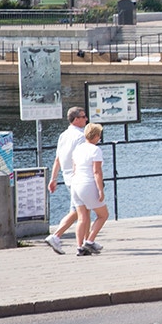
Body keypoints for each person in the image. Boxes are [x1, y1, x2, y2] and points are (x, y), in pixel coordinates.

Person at [44, 106, 88, 254]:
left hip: (68, 177)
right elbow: (81, 158)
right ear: (76, 119)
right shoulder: (81, 136)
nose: (86, 119)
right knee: (78, 211)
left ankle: (86, 243)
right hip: (79, 178)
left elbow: (58, 159)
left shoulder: (63, 135)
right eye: (83, 117)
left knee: (81, 210)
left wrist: (54, 178)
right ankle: (57, 236)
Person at [69, 123, 110, 255]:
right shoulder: (95, 150)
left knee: (82, 217)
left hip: (75, 184)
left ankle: (80, 247)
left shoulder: (78, 149)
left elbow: (74, 169)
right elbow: (96, 171)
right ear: (96, 135)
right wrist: (100, 190)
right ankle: (90, 241)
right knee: (103, 215)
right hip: (88, 184)